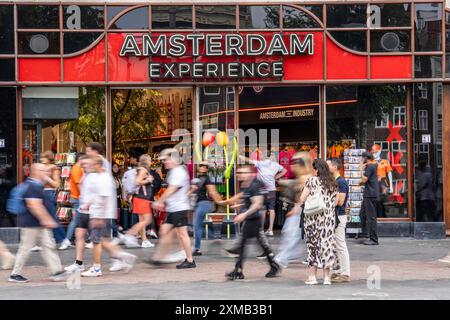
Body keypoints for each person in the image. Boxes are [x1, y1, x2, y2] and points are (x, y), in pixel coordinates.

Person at [221, 164, 281, 280]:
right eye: (239, 173)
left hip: (254, 219)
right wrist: (239, 206)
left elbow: (257, 203)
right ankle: (273, 266)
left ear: (251, 174)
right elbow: (248, 201)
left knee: (243, 245)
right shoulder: (246, 185)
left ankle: (239, 270)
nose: (239, 175)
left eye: (243, 173)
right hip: (250, 218)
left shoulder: (255, 185)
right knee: (256, 245)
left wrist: (244, 214)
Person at [79, 155, 137, 277]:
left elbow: (104, 197)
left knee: (96, 241)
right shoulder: (101, 177)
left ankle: (96, 268)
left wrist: (100, 217)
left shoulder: (103, 178)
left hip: (100, 214)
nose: (90, 166)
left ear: (98, 165)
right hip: (99, 213)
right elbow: (97, 195)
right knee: (102, 241)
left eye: (92, 164)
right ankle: (124, 257)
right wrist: (87, 204)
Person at [9, 163, 67, 283]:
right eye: (43, 171)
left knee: (48, 246)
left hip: (39, 224)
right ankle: (15, 274)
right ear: (35, 172)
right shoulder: (33, 187)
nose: (46, 173)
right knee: (25, 249)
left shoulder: (36, 185)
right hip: (32, 224)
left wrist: (51, 168)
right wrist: (47, 220)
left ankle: (56, 271)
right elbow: (34, 205)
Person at [287, 158, 337, 285]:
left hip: (313, 219)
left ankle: (312, 278)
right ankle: (327, 278)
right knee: (327, 247)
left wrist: (297, 204)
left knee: (312, 247)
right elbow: (335, 202)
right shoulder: (333, 183)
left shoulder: (312, 180)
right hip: (328, 220)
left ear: (316, 169)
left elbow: (303, 198)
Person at [150, 148, 196, 269]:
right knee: (164, 232)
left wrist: (160, 201)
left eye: (166, 159)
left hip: (179, 208)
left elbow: (172, 189)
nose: (164, 162)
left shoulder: (178, 172)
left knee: (182, 234)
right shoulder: (174, 171)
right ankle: (159, 258)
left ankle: (190, 260)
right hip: (173, 208)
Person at [274, 152, 311, 269]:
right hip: (302, 211)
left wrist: (296, 209)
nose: (292, 166)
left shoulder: (306, 178)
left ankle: (282, 258)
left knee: (291, 233)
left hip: (303, 211)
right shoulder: (304, 177)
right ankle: (292, 255)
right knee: (293, 234)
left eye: (295, 163)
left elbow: (302, 198)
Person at [240, 153, 287, 237]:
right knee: (272, 209)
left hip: (263, 190)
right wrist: (275, 177)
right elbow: (284, 171)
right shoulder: (275, 165)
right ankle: (270, 230)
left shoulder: (261, 163)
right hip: (272, 190)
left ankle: (261, 230)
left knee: (263, 209)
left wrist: (239, 156)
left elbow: (248, 160)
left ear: (263, 157)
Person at [122, 154, 161, 248]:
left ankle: (144, 240)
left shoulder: (139, 169)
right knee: (148, 220)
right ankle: (130, 235)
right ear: (146, 161)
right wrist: (148, 180)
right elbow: (137, 181)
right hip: (142, 198)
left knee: (142, 221)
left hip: (139, 198)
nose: (151, 161)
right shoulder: (143, 170)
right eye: (150, 160)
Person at [64, 155, 95, 273]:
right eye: (84, 163)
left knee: (100, 240)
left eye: (86, 163)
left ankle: (118, 256)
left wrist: (88, 202)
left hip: (92, 210)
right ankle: (78, 263)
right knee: (79, 234)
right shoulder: (84, 174)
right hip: (84, 208)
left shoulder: (94, 176)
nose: (84, 165)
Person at [190, 161, 222, 256]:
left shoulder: (207, 178)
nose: (203, 167)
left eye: (205, 166)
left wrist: (221, 202)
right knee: (197, 226)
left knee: (196, 226)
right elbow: (192, 191)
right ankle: (198, 248)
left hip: (203, 203)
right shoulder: (196, 178)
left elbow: (213, 192)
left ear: (207, 169)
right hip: (198, 204)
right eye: (201, 166)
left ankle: (213, 236)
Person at [327, 158, 351, 283]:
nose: (327, 167)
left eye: (328, 165)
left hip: (339, 216)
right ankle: (338, 271)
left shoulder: (341, 182)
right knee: (335, 245)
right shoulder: (335, 181)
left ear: (335, 167)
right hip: (335, 216)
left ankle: (345, 273)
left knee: (340, 245)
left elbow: (340, 201)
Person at [37, 151, 66, 250]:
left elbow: (57, 184)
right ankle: (47, 241)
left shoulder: (54, 168)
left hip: (49, 193)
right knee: (44, 218)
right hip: (42, 193)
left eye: (43, 157)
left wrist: (46, 179)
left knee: (52, 219)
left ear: (48, 158)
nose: (41, 159)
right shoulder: (42, 168)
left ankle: (63, 239)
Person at [59, 153, 85, 250]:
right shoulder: (77, 169)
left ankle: (88, 239)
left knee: (81, 220)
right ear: (80, 159)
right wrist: (84, 197)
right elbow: (79, 184)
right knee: (76, 220)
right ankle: (67, 240)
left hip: (76, 198)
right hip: (78, 198)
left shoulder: (75, 168)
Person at [359, 152, 380, 245]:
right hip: (370, 193)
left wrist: (360, 169)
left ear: (365, 158)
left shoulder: (370, 166)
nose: (360, 160)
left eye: (361, 158)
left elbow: (364, 179)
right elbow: (367, 180)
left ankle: (374, 239)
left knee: (371, 217)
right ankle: (366, 234)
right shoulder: (372, 166)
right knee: (362, 214)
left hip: (370, 195)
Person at [415, 158, 436, 222]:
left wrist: (417, 191)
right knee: (429, 213)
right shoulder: (429, 173)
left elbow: (421, 186)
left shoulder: (424, 174)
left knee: (424, 213)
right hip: (430, 197)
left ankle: (427, 225)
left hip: (424, 198)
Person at [111, 162, 125, 245]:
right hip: (114, 199)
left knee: (116, 216)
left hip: (118, 199)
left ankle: (116, 233)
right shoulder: (112, 177)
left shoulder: (118, 177)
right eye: (114, 167)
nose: (116, 168)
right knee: (113, 216)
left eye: (117, 167)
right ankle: (116, 233)